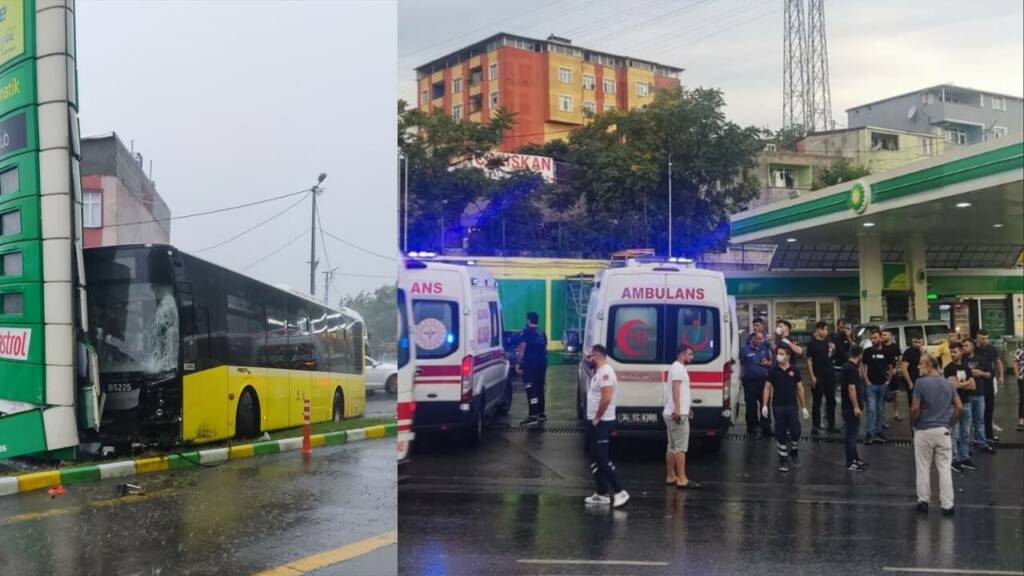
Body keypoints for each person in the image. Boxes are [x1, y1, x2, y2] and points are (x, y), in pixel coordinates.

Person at [912, 351, 962, 516]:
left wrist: (914, 423)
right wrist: (950, 424)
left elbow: (915, 408)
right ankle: (947, 504)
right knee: (944, 468)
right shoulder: (948, 384)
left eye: (921, 363)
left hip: (924, 430)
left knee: (923, 467)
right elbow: (959, 408)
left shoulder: (920, 383)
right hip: (943, 430)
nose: (919, 366)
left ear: (928, 365)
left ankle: (923, 501)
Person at [583, 345, 629, 508]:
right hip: (593, 422)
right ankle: (602, 493)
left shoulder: (606, 373)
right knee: (594, 459)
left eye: (590, 357)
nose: (588, 361)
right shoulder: (598, 372)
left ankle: (620, 491)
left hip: (601, 422)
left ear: (596, 356)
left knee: (602, 459)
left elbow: (606, 398)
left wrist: (597, 418)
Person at [763, 346, 809, 472]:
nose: (779, 356)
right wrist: (764, 404)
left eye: (782, 354)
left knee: (795, 431)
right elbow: (767, 387)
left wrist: (804, 407)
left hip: (792, 406)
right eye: (778, 353)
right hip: (778, 406)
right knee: (780, 432)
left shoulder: (794, 370)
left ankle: (794, 450)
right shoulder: (773, 371)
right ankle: (783, 459)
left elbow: (800, 389)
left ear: (788, 356)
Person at [665, 345, 697, 488]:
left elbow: (680, 391)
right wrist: (678, 410)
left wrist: (685, 408)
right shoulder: (678, 368)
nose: (692, 357)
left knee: (672, 446)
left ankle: (671, 476)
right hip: (677, 414)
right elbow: (676, 388)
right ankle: (682, 478)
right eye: (690, 354)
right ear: (682, 355)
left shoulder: (676, 367)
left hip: (673, 412)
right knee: (680, 448)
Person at [944, 342, 977, 472]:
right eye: (951, 352)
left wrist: (964, 383)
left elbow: (973, 386)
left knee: (966, 433)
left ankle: (965, 458)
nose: (952, 354)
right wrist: (967, 382)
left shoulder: (966, 368)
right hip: (953, 405)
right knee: (955, 433)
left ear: (961, 352)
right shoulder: (948, 368)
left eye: (955, 352)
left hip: (966, 403)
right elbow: (954, 386)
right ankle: (954, 459)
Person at [862, 330, 897, 444]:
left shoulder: (887, 352)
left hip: (882, 385)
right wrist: (866, 380)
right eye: (872, 338)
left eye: (875, 338)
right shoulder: (867, 352)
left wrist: (888, 380)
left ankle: (878, 431)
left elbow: (892, 366)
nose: (873, 340)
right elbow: (863, 366)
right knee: (871, 409)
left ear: (880, 338)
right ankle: (869, 433)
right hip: (871, 385)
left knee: (880, 409)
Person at [961, 339, 996, 454]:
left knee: (980, 420)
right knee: (967, 422)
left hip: (980, 393)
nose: (964, 348)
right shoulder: (961, 360)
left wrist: (980, 373)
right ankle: (968, 446)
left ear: (972, 346)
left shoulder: (980, 359)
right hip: (966, 395)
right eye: (963, 346)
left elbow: (990, 374)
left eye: (966, 346)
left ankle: (982, 443)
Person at [517, 312, 548, 426]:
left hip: (530, 365)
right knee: (540, 388)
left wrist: (519, 364)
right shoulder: (542, 333)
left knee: (531, 389)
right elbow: (545, 349)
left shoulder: (525, 333)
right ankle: (541, 414)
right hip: (542, 365)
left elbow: (522, 351)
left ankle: (532, 415)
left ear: (528, 320)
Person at [807, 321, 838, 435]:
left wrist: (832, 349)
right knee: (817, 401)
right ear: (818, 330)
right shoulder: (812, 343)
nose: (826, 332)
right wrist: (812, 376)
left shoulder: (828, 342)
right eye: (824, 329)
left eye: (826, 329)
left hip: (829, 374)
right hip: (818, 374)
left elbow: (831, 356)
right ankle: (815, 425)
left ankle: (831, 424)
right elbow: (809, 361)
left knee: (831, 400)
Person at [740, 332, 773, 438]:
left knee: (765, 403)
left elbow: (770, 362)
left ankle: (766, 426)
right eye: (758, 339)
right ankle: (752, 427)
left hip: (764, 381)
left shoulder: (764, 349)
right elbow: (740, 363)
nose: (760, 341)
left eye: (762, 339)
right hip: (750, 382)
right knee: (751, 405)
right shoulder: (745, 349)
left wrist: (768, 363)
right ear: (753, 339)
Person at [841, 345, 868, 471]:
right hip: (851, 408)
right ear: (860, 355)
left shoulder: (849, 367)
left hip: (849, 407)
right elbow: (851, 388)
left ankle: (855, 458)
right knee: (851, 435)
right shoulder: (851, 369)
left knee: (853, 434)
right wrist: (856, 407)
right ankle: (850, 462)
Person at [975, 330, 1004, 442]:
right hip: (977, 382)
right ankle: (978, 436)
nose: (985, 341)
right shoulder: (974, 350)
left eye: (986, 338)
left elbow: (998, 361)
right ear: (977, 338)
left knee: (989, 408)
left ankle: (989, 435)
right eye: (982, 338)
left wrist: (1001, 376)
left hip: (989, 381)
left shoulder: (991, 349)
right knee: (978, 411)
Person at [899, 336, 925, 428]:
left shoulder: (923, 352)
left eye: (919, 342)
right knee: (914, 406)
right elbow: (904, 368)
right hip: (913, 382)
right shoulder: (908, 352)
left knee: (923, 405)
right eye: (915, 342)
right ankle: (914, 427)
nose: (917, 344)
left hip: (923, 382)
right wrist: (909, 382)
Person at [880, 330, 903, 423]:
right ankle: (882, 417)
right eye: (882, 335)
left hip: (893, 373)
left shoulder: (894, 346)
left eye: (885, 335)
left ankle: (896, 413)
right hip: (882, 374)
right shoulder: (880, 346)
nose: (883, 336)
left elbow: (899, 359)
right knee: (882, 395)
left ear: (890, 336)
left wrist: (895, 369)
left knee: (895, 394)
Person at [1014, 345, 1024, 432]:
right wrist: (1018, 376)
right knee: (1022, 399)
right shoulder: (1019, 350)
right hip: (1022, 379)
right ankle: (1021, 420)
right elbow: (1015, 363)